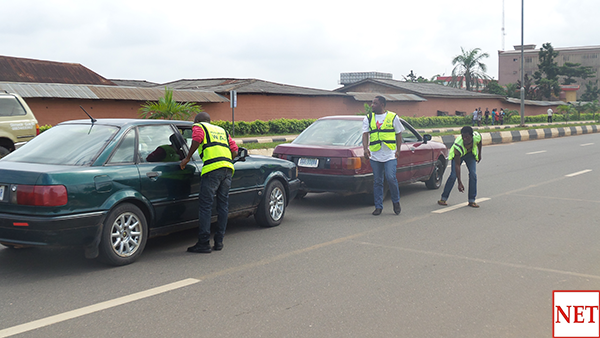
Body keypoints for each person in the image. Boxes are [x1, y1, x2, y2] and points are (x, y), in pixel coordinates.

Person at [181, 112, 238, 253]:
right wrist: (225, 160)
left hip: (212, 170)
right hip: (228, 169)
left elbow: (197, 138)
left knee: (206, 206)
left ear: (198, 120)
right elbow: (235, 150)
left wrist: (187, 158)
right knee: (223, 205)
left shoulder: (199, 127)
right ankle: (219, 242)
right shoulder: (222, 131)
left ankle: (204, 243)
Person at [362, 95, 404, 216]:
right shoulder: (368, 118)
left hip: (390, 153)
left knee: (391, 177)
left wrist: (398, 150)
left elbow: (399, 134)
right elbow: (365, 134)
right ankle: (378, 206)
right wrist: (365, 149)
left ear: (382, 105)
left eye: (375, 103)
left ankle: (396, 201)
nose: (372, 105)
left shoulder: (393, 117)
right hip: (375, 154)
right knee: (378, 181)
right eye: (372, 103)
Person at [437, 126, 482, 208]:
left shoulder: (476, 137)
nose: (464, 139)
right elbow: (457, 166)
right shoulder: (458, 146)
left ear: (471, 136)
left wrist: (479, 154)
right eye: (463, 136)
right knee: (453, 176)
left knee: (473, 174)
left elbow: (480, 142)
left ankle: (472, 200)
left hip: (470, 155)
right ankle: (443, 198)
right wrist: (459, 182)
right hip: (458, 156)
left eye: (467, 137)